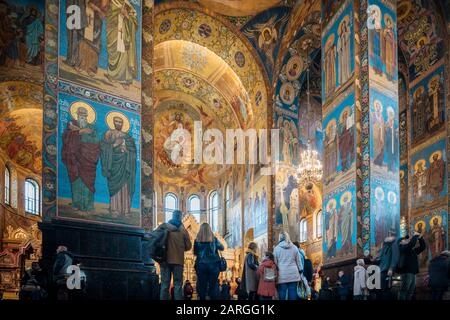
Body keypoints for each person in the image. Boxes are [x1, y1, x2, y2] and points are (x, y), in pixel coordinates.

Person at [159, 210, 192, 300]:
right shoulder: (183, 230)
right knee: (178, 285)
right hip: (178, 261)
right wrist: (181, 248)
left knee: (164, 285)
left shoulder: (165, 227)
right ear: (180, 217)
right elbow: (188, 246)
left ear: (172, 216)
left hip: (165, 260)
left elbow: (157, 240)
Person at [194, 222, 224, 300]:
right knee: (213, 287)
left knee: (202, 287)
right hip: (214, 265)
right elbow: (222, 247)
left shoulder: (197, 240)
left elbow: (195, 252)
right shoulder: (214, 239)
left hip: (201, 265)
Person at [274, 231, 302, 300]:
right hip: (293, 274)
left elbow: (275, 263)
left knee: (282, 292)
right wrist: (301, 270)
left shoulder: (276, 249)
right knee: (292, 292)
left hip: (282, 274)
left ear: (279, 238)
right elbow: (298, 261)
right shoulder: (294, 247)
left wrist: (275, 274)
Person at [398, 232, 426, 300]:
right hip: (406, 272)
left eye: (407, 239)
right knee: (404, 290)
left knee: (411, 291)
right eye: (405, 239)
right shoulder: (402, 248)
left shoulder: (412, 250)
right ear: (400, 242)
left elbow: (422, 247)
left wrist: (420, 238)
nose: (407, 240)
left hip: (413, 272)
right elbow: (411, 244)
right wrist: (415, 236)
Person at [372, 231, 399, 300]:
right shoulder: (384, 247)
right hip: (380, 270)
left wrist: (391, 268)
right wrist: (374, 258)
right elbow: (379, 257)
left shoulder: (393, 245)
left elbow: (395, 257)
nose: (387, 238)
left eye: (389, 237)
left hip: (386, 270)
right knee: (379, 289)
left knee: (385, 289)